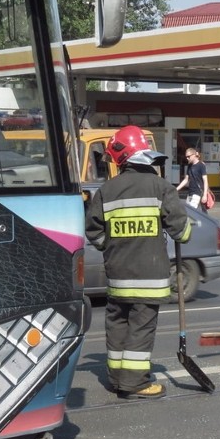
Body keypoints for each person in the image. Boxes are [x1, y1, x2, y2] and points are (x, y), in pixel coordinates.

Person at [86, 125, 192, 400]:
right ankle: (135, 383)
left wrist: (112, 247)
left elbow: (94, 232)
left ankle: (117, 379)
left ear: (120, 159)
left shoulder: (106, 190)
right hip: (150, 277)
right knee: (140, 329)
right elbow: (183, 232)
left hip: (118, 275)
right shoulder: (161, 187)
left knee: (117, 325)